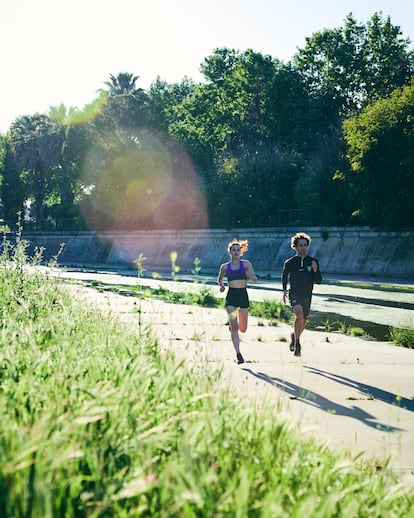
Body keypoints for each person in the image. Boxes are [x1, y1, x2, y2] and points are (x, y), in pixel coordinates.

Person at [282, 232, 322, 357]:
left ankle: (295, 336)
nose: (303, 247)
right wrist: (284, 291)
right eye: (301, 245)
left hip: (307, 295)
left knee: (303, 321)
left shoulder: (313, 261)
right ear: (295, 247)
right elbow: (284, 276)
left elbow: (319, 281)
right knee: (299, 315)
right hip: (294, 294)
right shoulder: (290, 262)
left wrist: (315, 270)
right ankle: (298, 344)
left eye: (305, 245)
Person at [218, 239, 258, 364]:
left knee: (243, 328)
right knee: (235, 327)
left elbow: (254, 278)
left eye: (238, 250)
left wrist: (252, 277)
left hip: (243, 296)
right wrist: (222, 286)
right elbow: (220, 278)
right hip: (231, 296)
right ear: (230, 252)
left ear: (241, 252)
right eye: (233, 250)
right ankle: (238, 354)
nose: (236, 252)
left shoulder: (246, 264)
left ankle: (232, 326)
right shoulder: (225, 267)